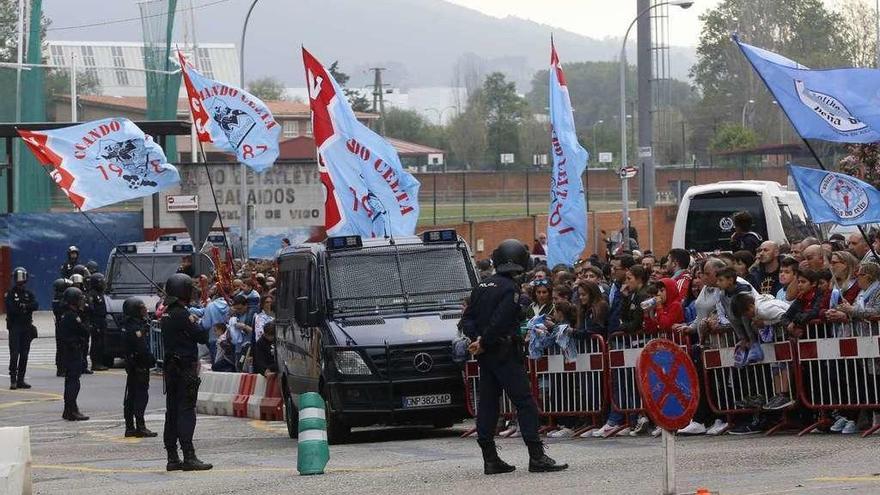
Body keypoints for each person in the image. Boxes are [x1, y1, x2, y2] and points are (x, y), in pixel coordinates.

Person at [459, 239, 567, 474]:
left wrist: (477, 340)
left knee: (488, 405)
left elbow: (465, 320)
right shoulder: (511, 288)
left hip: (486, 355)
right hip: (504, 353)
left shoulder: (481, 287)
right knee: (525, 403)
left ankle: (490, 459)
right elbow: (501, 318)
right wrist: (485, 340)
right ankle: (536, 457)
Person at [161, 273, 212, 471]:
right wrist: (198, 320)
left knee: (172, 412)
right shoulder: (183, 314)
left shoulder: (166, 313)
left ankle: (172, 457)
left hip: (171, 369)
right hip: (184, 369)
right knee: (186, 411)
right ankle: (189, 456)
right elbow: (200, 336)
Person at [121, 297, 157, 438]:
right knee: (140, 397)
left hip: (132, 365)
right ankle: (140, 426)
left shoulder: (128, 325)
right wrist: (150, 360)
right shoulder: (135, 328)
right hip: (139, 366)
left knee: (131, 396)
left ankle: (130, 427)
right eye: (141, 309)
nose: (145, 311)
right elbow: (141, 348)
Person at [58, 287, 89, 421]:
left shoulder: (69, 314)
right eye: (79, 299)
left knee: (72, 381)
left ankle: (70, 409)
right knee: (73, 382)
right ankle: (70, 410)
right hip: (72, 351)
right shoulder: (71, 316)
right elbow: (83, 331)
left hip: (71, 351)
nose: (82, 301)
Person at [6, 267, 38, 390]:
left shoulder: (28, 293)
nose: (20, 282)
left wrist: (24, 306)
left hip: (26, 327)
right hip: (15, 327)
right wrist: (24, 308)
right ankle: (13, 379)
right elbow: (11, 309)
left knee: (24, 354)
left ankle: (21, 379)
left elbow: (35, 305)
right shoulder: (10, 293)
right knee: (14, 354)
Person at [86, 273, 109, 372]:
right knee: (97, 343)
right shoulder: (92, 294)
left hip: (102, 320)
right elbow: (91, 309)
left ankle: (100, 362)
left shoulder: (100, 294)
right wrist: (94, 322)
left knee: (102, 342)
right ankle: (96, 363)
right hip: (96, 321)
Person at [52, 278, 72, 377]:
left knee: (61, 347)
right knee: (62, 347)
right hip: (62, 326)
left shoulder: (59, 297)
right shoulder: (60, 299)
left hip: (60, 325)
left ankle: (61, 367)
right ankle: (61, 368)